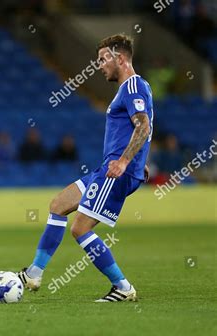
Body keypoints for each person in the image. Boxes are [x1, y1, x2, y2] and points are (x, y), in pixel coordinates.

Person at [18, 34, 153, 302]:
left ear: (121, 58)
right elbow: (138, 128)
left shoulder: (132, 87)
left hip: (117, 171)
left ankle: (123, 287)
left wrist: (128, 161)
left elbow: (144, 124)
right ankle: (34, 273)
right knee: (59, 204)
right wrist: (139, 158)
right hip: (110, 168)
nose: (100, 66)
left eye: (103, 59)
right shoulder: (133, 88)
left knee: (80, 228)